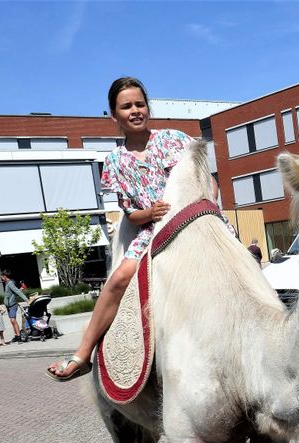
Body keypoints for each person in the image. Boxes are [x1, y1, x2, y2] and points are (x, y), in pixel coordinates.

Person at [48, 76, 231, 381]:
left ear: (147, 107)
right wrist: (150, 212)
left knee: (239, 257)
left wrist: (206, 205)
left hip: (197, 218)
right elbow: (130, 214)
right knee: (120, 276)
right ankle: (83, 354)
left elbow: (208, 181)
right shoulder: (116, 161)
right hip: (155, 230)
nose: (135, 110)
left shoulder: (175, 139)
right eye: (126, 106)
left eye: (139, 104)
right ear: (113, 115)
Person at [0, 270, 28, 343]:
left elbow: (17, 292)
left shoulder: (10, 283)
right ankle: (16, 335)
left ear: (5, 276)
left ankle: (19, 336)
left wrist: (26, 300)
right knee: (12, 321)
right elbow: (14, 292)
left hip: (12, 305)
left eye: (2, 277)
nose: (1, 278)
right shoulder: (8, 283)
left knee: (13, 320)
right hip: (8, 305)